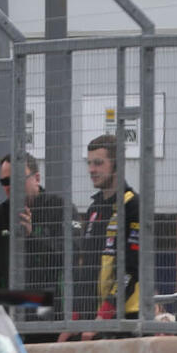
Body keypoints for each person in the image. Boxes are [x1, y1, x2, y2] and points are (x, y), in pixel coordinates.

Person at [65, 134, 140, 340]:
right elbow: (86, 268)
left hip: (125, 319)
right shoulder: (93, 209)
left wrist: (104, 315)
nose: (91, 169)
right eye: (89, 163)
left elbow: (132, 269)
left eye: (98, 163)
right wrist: (74, 318)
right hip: (93, 319)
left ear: (117, 165)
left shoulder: (132, 205)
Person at [0, 153, 68, 298]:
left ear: (37, 179)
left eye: (18, 180)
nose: (10, 187)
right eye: (6, 182)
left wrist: (32, 236)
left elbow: (71, 257)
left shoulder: (60, 208)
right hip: (11, 310)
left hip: (51, 311)